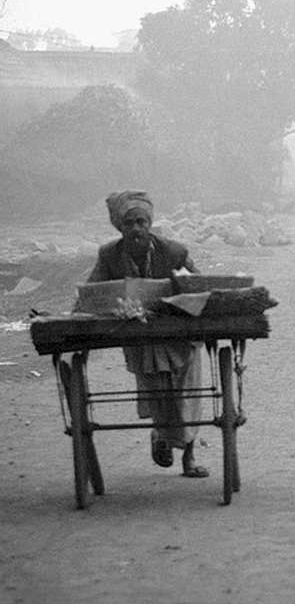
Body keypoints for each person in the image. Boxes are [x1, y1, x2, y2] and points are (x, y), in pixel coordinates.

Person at [87, 190, 209, 478]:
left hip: (179, 336)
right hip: (142, 338)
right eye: (129, 224)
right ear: (120, 227)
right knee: (157, 392)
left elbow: (199, 285)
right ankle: (161, 434)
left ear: (150, 223)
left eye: (142, 222)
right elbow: (91, 292)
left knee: (186, 394)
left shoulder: (175, 252)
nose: (136, 229)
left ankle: (189, 456)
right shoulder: (109, 255)